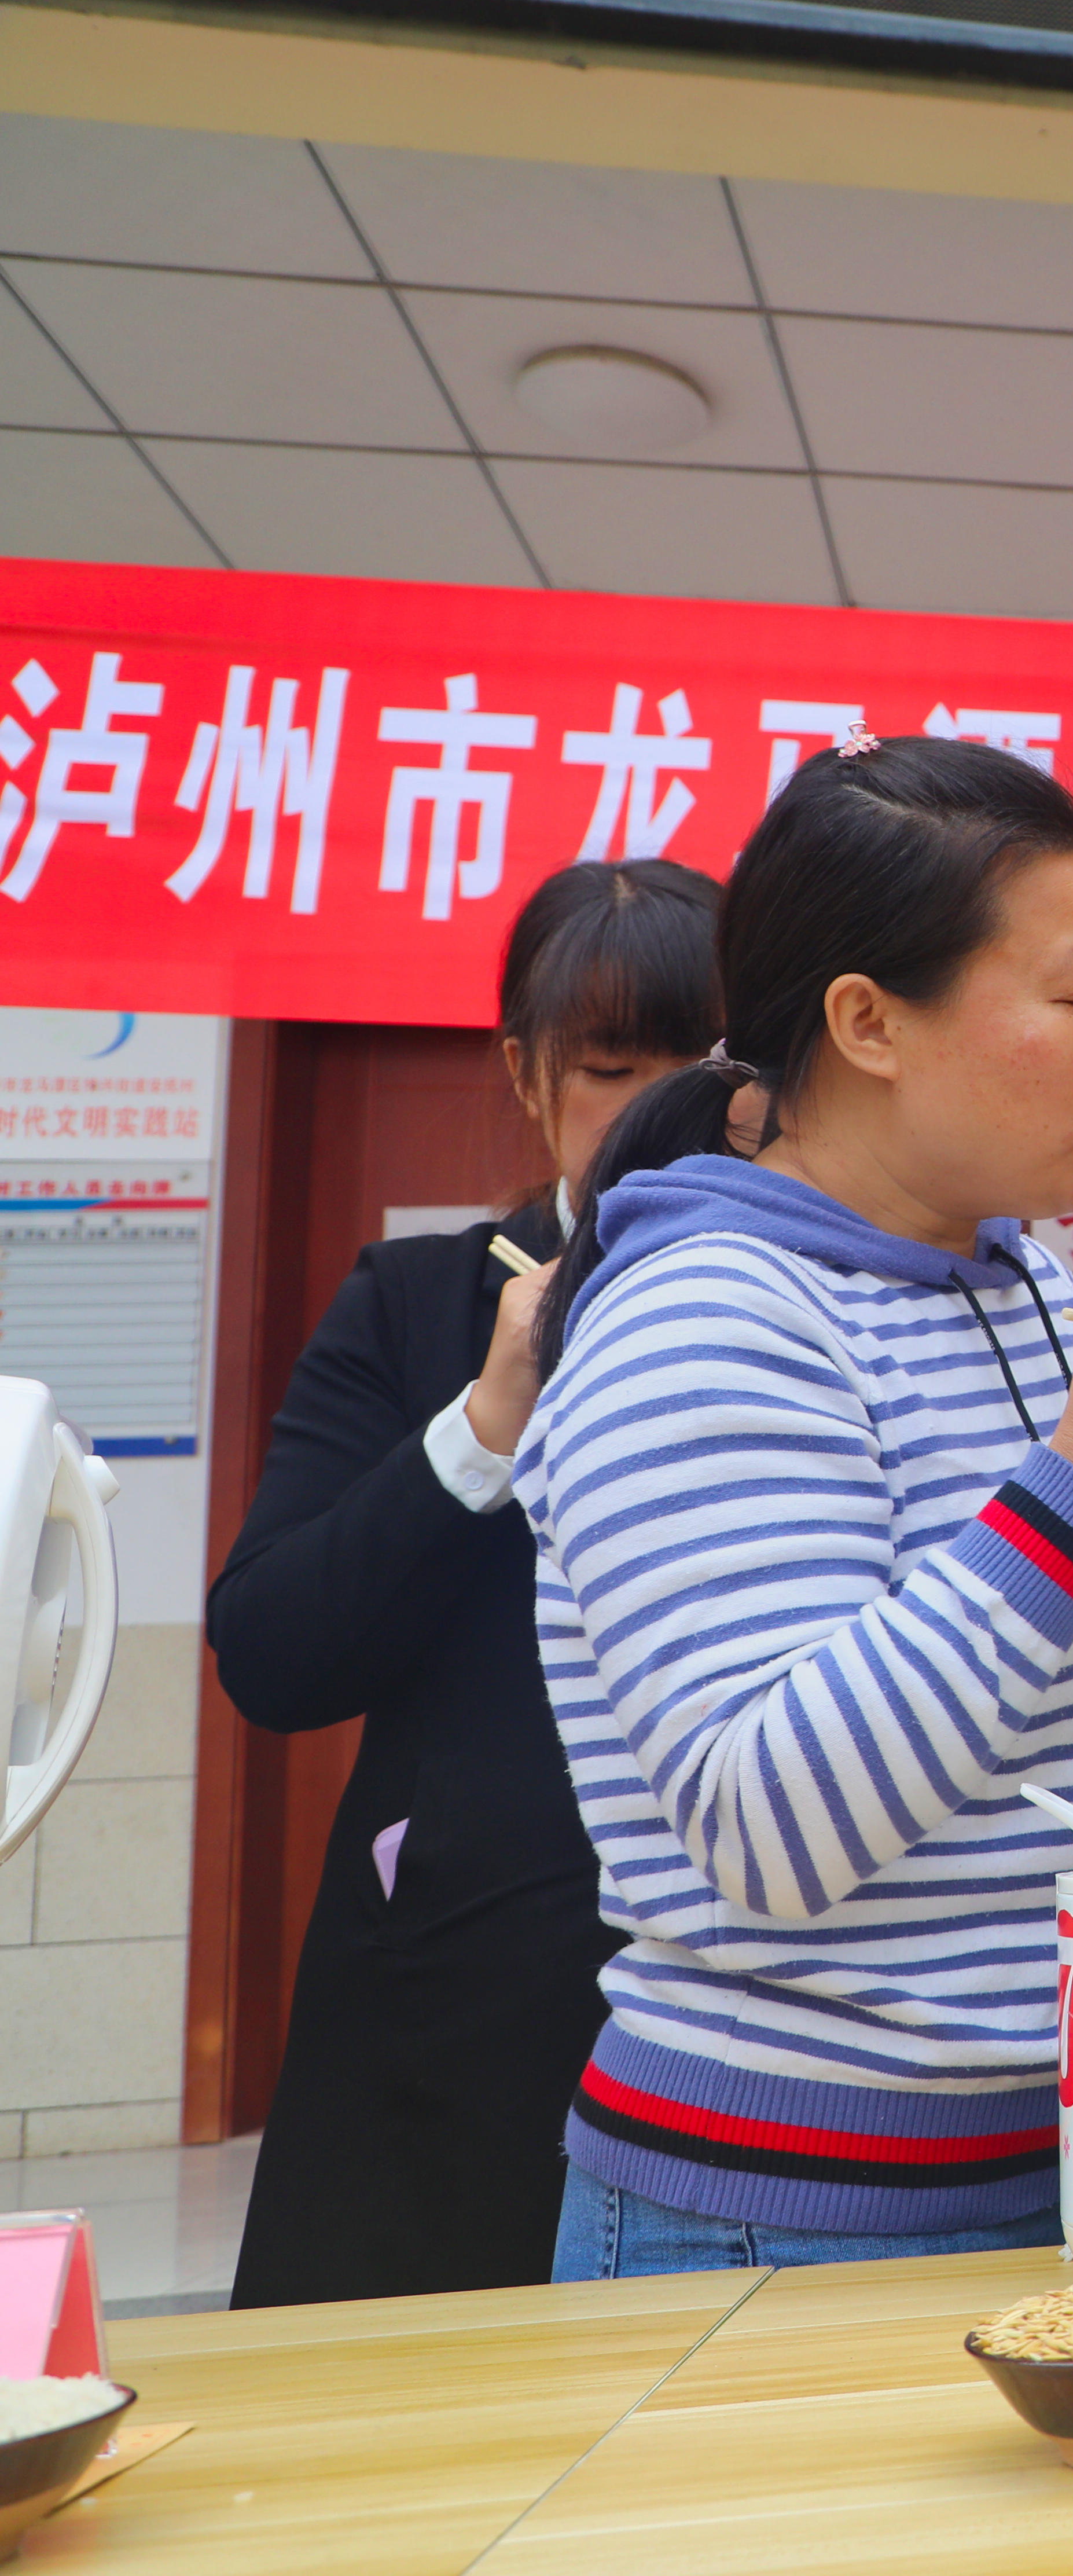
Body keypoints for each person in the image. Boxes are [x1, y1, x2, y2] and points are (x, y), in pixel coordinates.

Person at [520, 733, 1073, 2279]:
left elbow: (978, 1681)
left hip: (1051, 2152)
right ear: (869, 1023)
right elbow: (769, 1821)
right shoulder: (705, 1315)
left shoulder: (1024, 1279)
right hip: (776, 2207)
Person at [209, 861, 719, 2307]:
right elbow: (270, 1650)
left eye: (700, 1070)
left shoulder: (837, 1307)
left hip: (745, 2019)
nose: (661, 1112)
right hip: (450, 2010)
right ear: (525, 1073)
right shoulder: (417, 1302)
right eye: (612, 1070)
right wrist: (487, 1419)